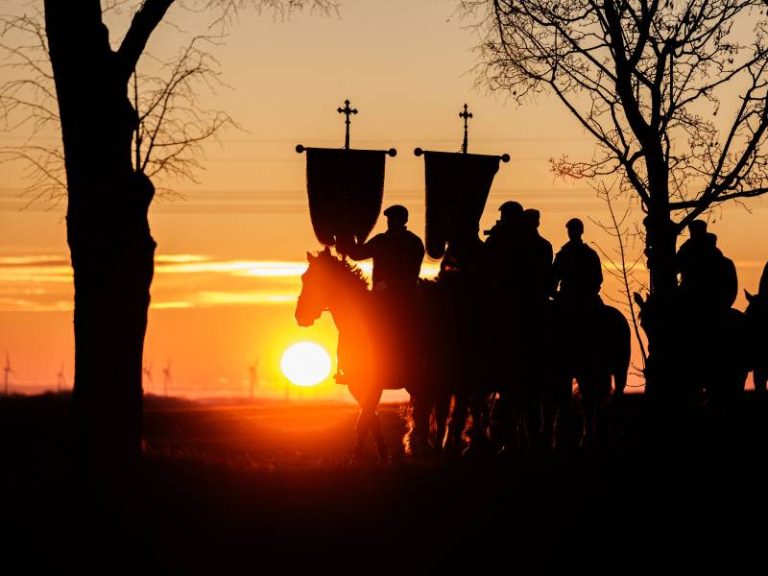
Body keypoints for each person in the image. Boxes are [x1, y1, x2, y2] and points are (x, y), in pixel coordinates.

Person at [338, 204, 425, 296]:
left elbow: (356, 254)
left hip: (384, 295)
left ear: (404, 220)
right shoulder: (415, 241)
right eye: (389, 219)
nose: (389, 221)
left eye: (393, 218)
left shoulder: (381, 241)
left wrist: (347, 238)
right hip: (408, 294)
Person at [552, 217, 603, 306]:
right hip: (571, 297)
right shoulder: (563, 254)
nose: (572, 233)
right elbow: (554, 277)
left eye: (574, 230)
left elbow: (598, 279)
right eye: (571, 230)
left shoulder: (589, 254)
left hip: (582, 298)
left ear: (581, 231)